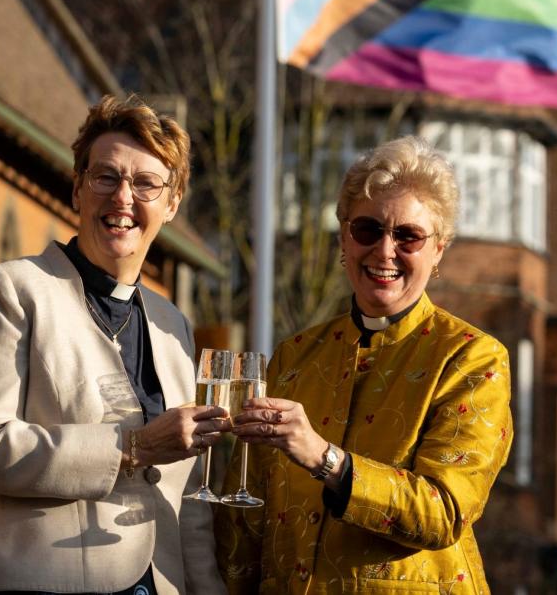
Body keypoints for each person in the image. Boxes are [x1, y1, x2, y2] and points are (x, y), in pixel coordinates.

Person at [0, 95, 229, 595]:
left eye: (146, 184)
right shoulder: (13, 290)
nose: (123, 197)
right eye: (106, 177)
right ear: (78, 189)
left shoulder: (174, 326)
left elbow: (190, 505)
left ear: (172, 204)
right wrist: (132, 448)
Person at [217, 136, 513, 594]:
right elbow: (245, 516)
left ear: (439, 250)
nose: (385, 251)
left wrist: (324, 459)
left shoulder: (472, 357)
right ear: (343, 237)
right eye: (368, 230)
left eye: (408, 236)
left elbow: (445, 511)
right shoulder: (294, 356)